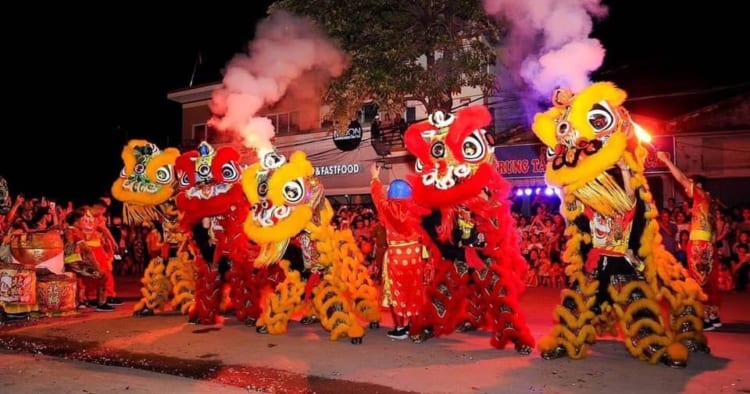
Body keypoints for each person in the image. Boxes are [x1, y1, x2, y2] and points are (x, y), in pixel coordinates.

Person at [657, 151, 722, 330]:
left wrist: (666, 161)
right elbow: (714, 230)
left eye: (689, 185)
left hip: (700, 246)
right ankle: (712, 318)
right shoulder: (709, 201)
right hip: (708, 244)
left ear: (696, 185)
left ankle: (700, 318)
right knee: (708, 281)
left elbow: (681, 179)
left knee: (697, 282)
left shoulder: (700, 194)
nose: (686, 190)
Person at [370, 163, 425, 340]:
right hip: (415, 255)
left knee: (397, 292)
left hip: (396, 256)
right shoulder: (416, 208)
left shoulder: (387, 207)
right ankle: (415, 326)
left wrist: (375, 178)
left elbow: (377, 197)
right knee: (415, 290)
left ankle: (401, 328)